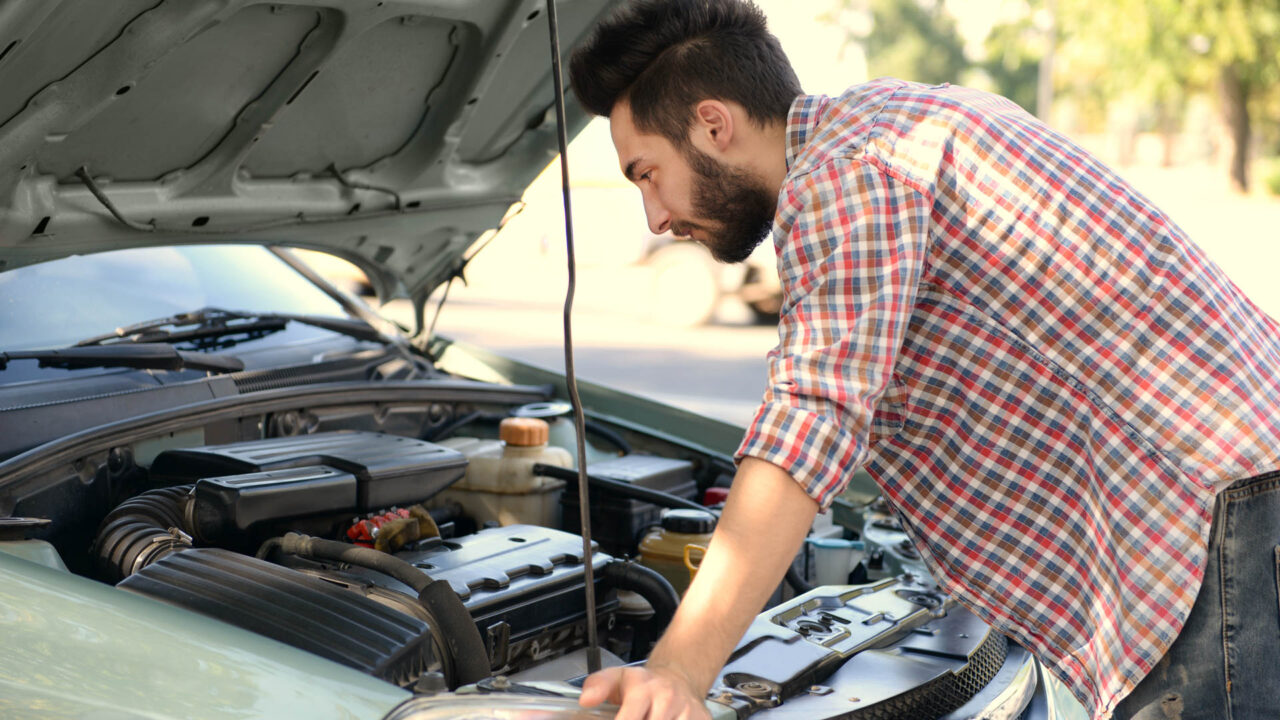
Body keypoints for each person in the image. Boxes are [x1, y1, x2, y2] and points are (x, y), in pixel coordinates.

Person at [567, 1, 1280, 719]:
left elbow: (815, 413)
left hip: (1209, 525)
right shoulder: (892, 124)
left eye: (646, 173)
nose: (654, 216)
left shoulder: (845, 172)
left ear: (714, 125)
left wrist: (679, 671)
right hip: (1224, 511)